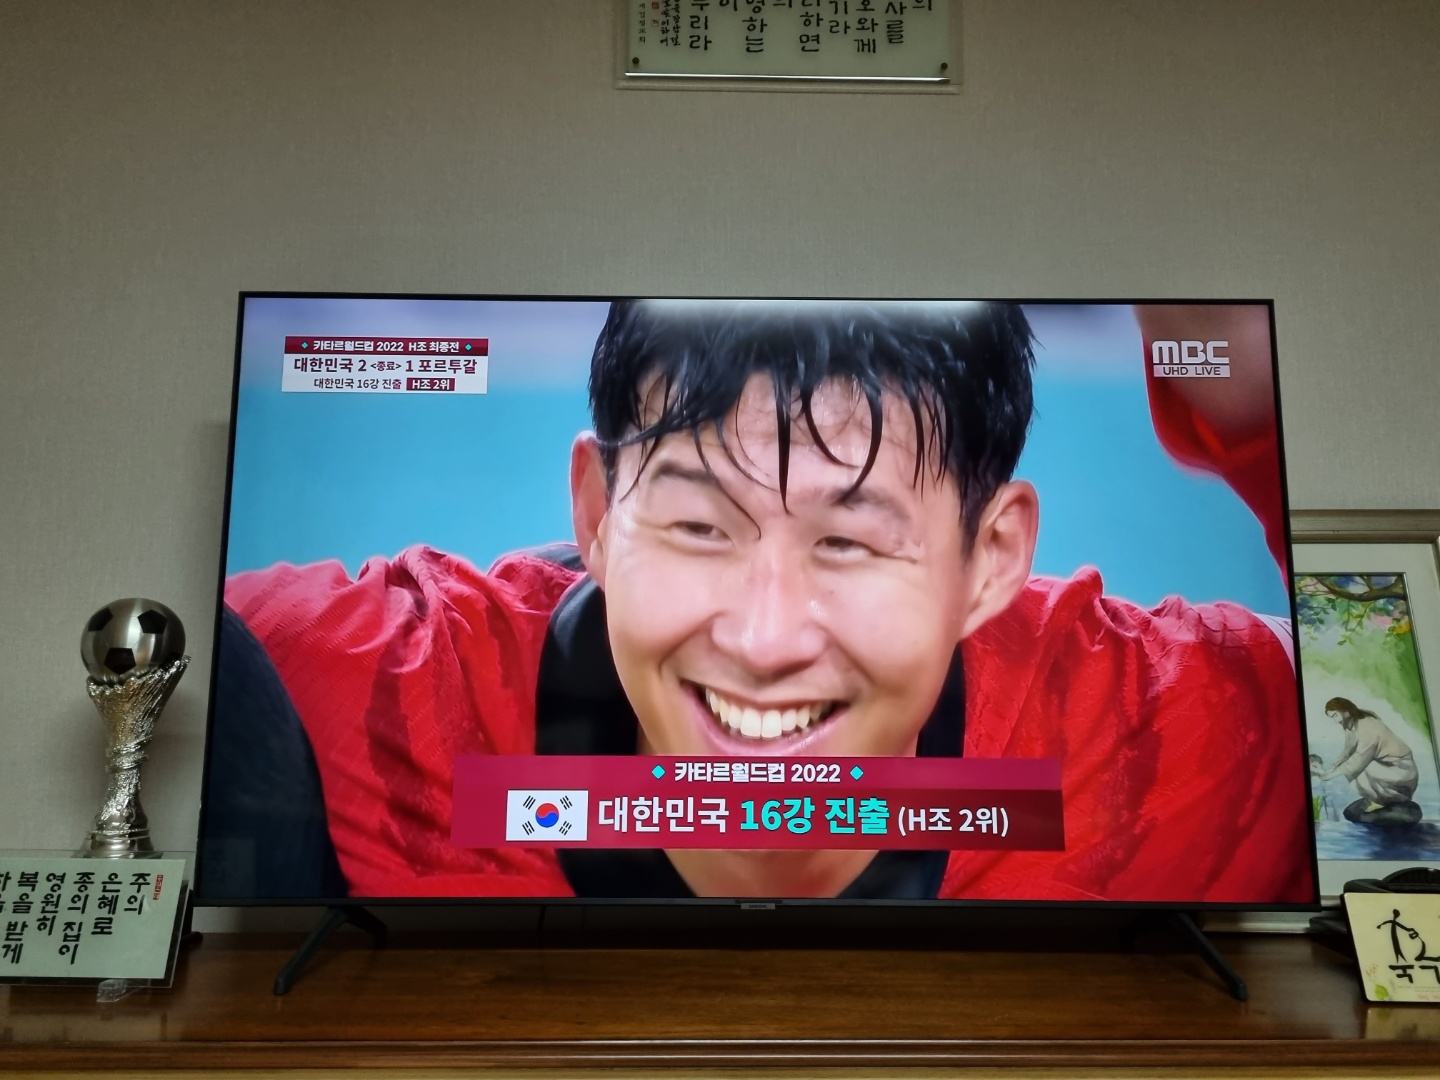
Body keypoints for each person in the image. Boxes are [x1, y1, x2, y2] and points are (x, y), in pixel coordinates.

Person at [216, 300, 1313, 902]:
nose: (764, 638)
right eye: (700, 527)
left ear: (990, 560)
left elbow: (1382, 686)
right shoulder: (360, 684)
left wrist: (1245, 409)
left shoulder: (1163, 743)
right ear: (595, 513)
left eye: (849, 543)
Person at [1318, 696, 1419, 812]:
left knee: (1358, 768)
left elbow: (1359, 759)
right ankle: (1379, 799)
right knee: (1350, 768)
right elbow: (1348, 751)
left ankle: (1385, 799)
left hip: (1401, 770)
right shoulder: (1351, 724)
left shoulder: (1367, 726)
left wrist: (1331, 775)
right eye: (1332, 717)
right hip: (1386, 767)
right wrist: (1334, 766)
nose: (1335, 721)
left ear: (1345, 710)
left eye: (1335, 715)